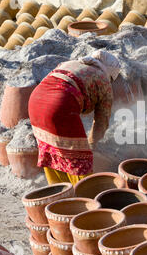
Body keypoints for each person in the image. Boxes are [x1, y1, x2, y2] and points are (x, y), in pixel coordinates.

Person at [28, 50, 120, 185]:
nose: (111, 81)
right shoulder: (103, 79)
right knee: (80, 159)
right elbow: (102, 120)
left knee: (51, 151)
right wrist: (92, 144)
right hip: (59, 107)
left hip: (35, 103)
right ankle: (85, 196)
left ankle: (59, 194)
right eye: (112, 78)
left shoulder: (69, 63)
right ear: (110, 72)